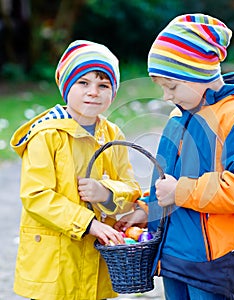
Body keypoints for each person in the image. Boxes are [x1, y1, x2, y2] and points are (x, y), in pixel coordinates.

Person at [114, 13, 234, 299]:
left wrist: (180, 191)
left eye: (171, 86)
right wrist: (145, 211)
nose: (165, 97)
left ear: (197, 74)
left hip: (213, 261)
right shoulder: (178, 117)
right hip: (172, 253)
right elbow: (164, 182)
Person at [10, 40, 141, 300]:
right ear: (66, 87)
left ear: (112, 93)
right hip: (55, 263)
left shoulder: (113, 135)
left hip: (98, 261)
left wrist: (106, 192)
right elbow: (36, 196)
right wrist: (88, 223)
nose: (93, 92)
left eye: (103, 85)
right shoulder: (47, 135)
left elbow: (131, 187)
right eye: (83, 82)